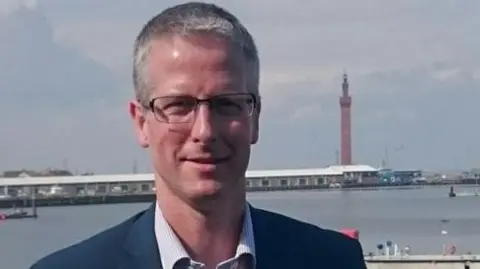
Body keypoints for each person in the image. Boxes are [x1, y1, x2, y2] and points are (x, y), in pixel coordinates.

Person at [30, 2, 366, 269]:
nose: (204, 131)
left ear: (255, 118)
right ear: (141, 122)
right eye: (178, 105)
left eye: (227, 104)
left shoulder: (334, 260)